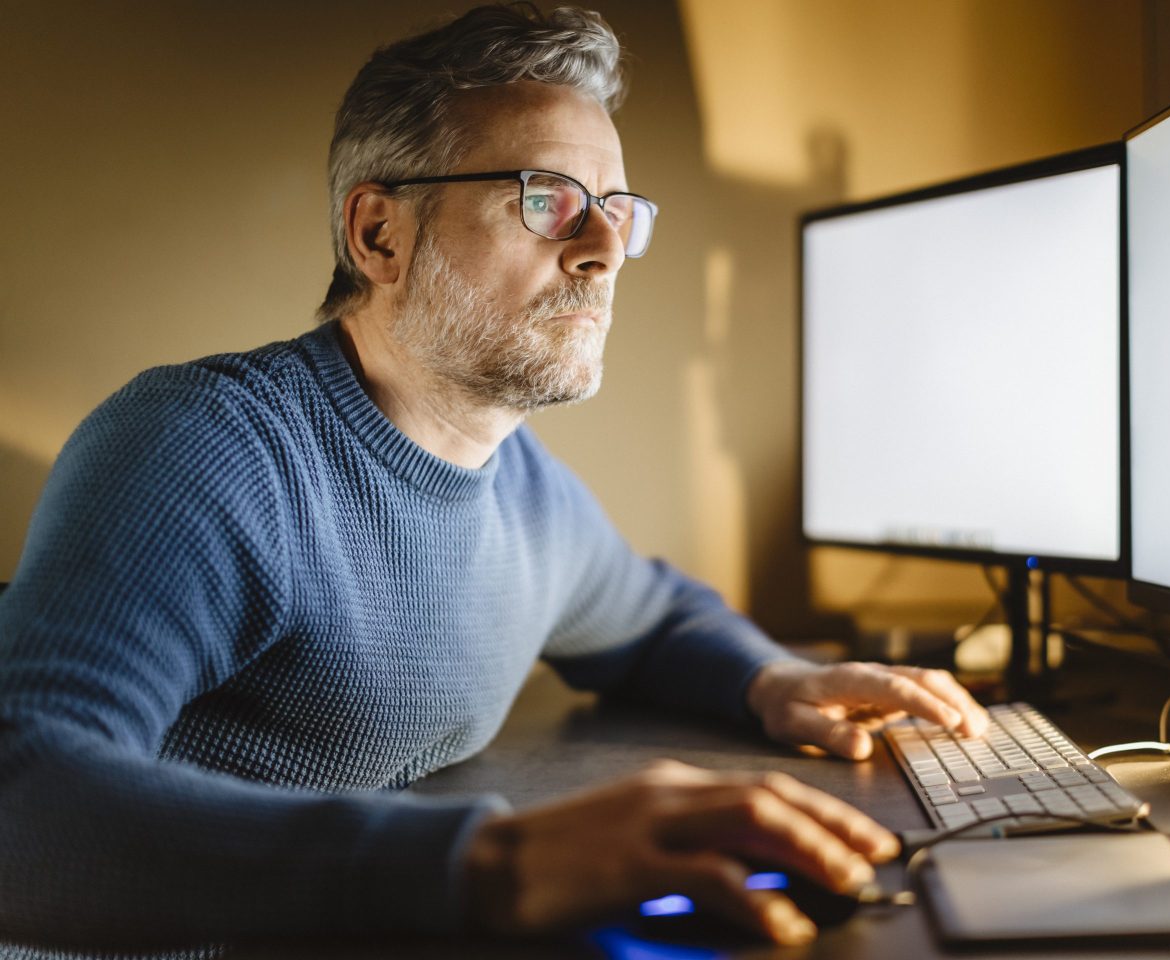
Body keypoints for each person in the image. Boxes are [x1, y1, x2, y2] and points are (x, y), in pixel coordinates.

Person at [0, 4, 987, 954]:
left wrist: (774, 681)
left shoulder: (524, 488)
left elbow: (652, 618)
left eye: (616, 211)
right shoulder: (211, 449)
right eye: (546, 200)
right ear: (379, 235)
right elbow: (22, 805)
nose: (602, 249)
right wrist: (492, 863)